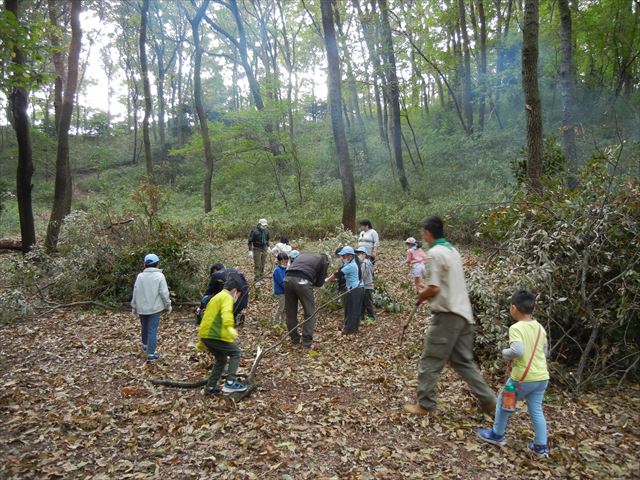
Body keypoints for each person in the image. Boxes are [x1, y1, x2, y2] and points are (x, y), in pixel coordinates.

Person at [404, 216, 496, 415]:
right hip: (464, 314)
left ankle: (425, 404)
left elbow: (435, 288)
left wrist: (422, 294)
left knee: (431, 359)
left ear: (428, 233)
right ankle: (488, 400)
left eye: (423, 232)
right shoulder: (452, 250)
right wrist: (427, 290)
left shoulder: (435, 253)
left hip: (447, 316)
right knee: (462, 361)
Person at [476, 290, 550, 458]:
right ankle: (540, 446)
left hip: (521, 379)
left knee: (504, 401)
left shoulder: (516, 328)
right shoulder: (540, 328)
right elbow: (544, 352)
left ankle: (497, 434)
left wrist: (504, 352)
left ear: (513, 308)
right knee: (536, 410)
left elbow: (517, 350)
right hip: (541, 377)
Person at [198, 273, 248, 395]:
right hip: (214, 335)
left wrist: (201, 340)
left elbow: (207, 318)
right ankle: (230, 382)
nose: (237, 297)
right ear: (235, 291)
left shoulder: (216, 297)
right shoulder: (226, 297)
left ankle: (210, 387)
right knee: (235, 352)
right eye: (239, 294)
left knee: (221, 359)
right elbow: (226, 314)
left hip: (207, 335)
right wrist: (230, 327)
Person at [131, 253, 172, 362]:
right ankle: (151, 354)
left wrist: (134, 307)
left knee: (144, 326)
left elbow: (136, 291)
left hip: (142, 308)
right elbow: (164, 293)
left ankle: (145, 346)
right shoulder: (160, 276)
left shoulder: (140, 276)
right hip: (154, 308)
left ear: (145, 265)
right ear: (157, 264)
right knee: (152, 330)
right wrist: (168, 305)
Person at [284, 252, 330, 348]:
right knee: (310, 312)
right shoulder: (324, 260)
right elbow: (320, 281)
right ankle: (306, 341)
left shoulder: (303, 255)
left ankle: (294, 338)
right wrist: (315, 283)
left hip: (287, 278)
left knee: (290, 312)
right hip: (303, 281)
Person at [325, 246, 364, 335]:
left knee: (353, 310)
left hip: (356, 289)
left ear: (349, 256)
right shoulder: (350, 263)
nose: (342, 258)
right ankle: (353, 328)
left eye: (343, 256)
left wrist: (326, 280)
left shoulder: (351, 265)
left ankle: (349, 330)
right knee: (353, 309)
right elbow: (341, 273)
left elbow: (337, 274)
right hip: (354, 288)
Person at [356, 247, 376, 322]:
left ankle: (371, 318)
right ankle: (361, 317)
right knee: (363, 302)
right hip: (365, 285)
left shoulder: (365, 263)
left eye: (360, 253)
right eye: (357, 254)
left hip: (367, 286)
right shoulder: (366, 262)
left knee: (368, 303)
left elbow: (363, 276)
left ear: (364, 254)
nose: (358, 255)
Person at [272, 252, 289, 323]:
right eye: (285, 262)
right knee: (281, 307)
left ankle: (283, 321)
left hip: (285, 291)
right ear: (281, 261)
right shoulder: (277, 270)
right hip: (281, 292)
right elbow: (282, 282)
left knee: (285, 308)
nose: (286, 263)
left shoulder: (284, 269)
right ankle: (276, 321)